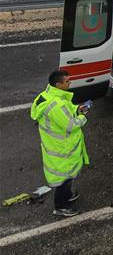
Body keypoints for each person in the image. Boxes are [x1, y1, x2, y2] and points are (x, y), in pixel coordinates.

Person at [30, 70, 90, 217]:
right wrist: (82, 116)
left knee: (65, 175)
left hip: (54, 145)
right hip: (63, 147)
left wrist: (76, 108)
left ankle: (67, 195)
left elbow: (66, 110)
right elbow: (71, 125)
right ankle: (61, 206)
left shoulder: (47, 95)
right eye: (67, 81)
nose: (70, 83)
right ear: (58, 84)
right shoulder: (56, 104)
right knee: (65, 176)